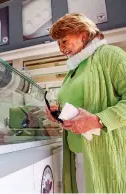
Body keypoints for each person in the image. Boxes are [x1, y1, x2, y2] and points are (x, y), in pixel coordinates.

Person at [46, 13, 126, 193]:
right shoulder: (74, 69)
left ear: (83, 35)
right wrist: (58, 112)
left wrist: (98, 120)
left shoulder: (110, 55)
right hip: (78, 154)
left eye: (64, 41)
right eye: (58, 43)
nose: (61, 49)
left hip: (104, 156)